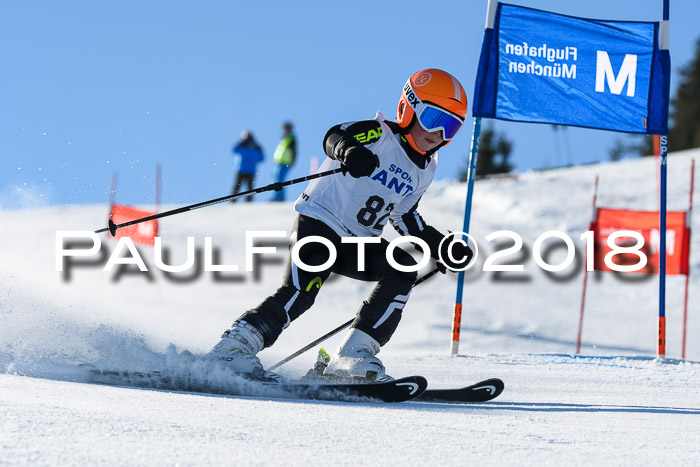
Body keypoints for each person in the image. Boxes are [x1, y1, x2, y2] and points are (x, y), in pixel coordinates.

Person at [208, 69, 473, 382]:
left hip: (358, 243)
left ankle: (353, 356)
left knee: (402, 265)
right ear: (409, 107)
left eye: (451, 125)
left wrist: (441, 246)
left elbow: (404, 215)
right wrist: (351, 152)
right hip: (319, 222)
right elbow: (334, 136)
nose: (439, 132)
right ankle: (234, 347)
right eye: (432, 119)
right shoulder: (378, 134)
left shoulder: (425, 168)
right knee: (301, 293)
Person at [231, 130, 264, 202]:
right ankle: (248, 200)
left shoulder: (242, 145)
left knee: (238, 185)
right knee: (248, 187)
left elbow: (234, 150)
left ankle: (234, 200)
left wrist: (240, 143)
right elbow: (261, 158)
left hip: (241, 168)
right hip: (250, 169)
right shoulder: (256, 146)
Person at [271, 122, 297, 202]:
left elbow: (293, 151)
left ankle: (278, 198)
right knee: (277, 178)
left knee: (280, 180)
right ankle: (279, 197)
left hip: (285, 162)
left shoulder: (291, 139)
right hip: (280, 162)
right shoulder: (285, 138)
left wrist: (292, 161)